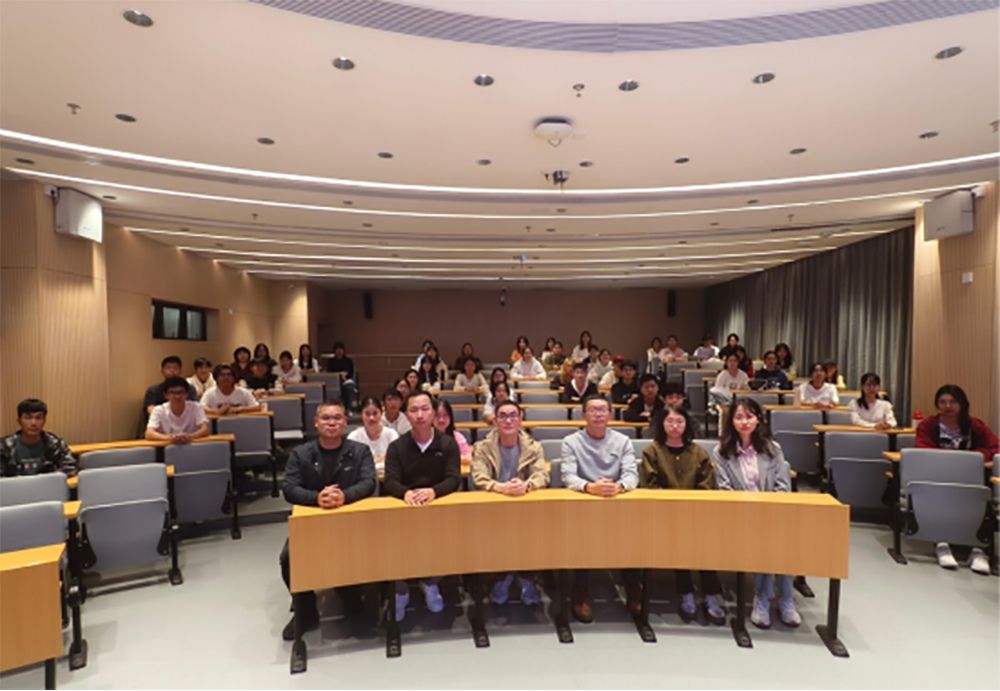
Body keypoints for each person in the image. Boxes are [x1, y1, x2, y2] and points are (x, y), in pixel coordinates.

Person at [279, 399, 377, 639]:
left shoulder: (360, 451)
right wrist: (316, 498)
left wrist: (344, 496)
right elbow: (289, 488)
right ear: (316, 422)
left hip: (350, 522)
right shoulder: (300, 454)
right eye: (326, 418)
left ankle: (353, 603)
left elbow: (368, 482)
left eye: (337, 418)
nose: (331, 423)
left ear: (345, 422)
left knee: (355, 553)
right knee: (288, 558)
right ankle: (305, 609)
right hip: (312, 524)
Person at [710, 398, 799, 629]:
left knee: (783, 537)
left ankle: (786, 598)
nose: (745, 422)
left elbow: (783, 486)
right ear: (731, 421)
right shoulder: (721, 452)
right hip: (740, 515)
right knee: (763, 537)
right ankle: (763, 597)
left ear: (758, 419)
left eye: (749, 416)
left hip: (772, 511)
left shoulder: (773, 449)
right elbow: (724, 489)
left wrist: (768, 510)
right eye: (739, 417)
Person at [634, 406, 725, 625]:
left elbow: (706, 485)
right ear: (662, 424)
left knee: (703, 542)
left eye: (679, 421)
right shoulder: (652, 452)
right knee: (680, 540)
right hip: (664, 515)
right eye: (670, 421)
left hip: (697, 513)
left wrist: (691, 508)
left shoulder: (699, 452)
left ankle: (711, 594)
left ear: (687, 424)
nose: (675, 426)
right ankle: (686, 593)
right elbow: (650, 485)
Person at [383, 391, 462, 621]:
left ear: (434, 412)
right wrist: (406, 493)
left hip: (437, 508)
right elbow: (390, 481)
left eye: (425, 409)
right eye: (414, 410)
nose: (420, 415)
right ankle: (401, 590)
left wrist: (433, 491)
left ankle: (430, 583)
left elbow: (453, 478)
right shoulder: (397, 447)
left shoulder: (448, 444)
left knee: (445, 542)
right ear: (406, 414)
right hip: (405, 509)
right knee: (394, 544)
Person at [560, 395, 638, 622]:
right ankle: (580, 595)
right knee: (582, 539)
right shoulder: (571, 442)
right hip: (583, 505)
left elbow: (631, 475)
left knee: (633, 537)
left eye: (603, 410)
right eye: (593, 410)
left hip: (616, 503)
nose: (598, 415)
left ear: (610, 414)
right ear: (584, 415)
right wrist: (589, 487)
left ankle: (634, 593)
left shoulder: (623, 441)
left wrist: (618, 487)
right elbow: (568, 476)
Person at [470, 400, 550, 606]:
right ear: (495, 421)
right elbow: (479, 477)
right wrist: (501, 487)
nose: (508, 420)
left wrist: (526, 485)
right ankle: (502, 577)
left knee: (530, 534)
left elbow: (542, 475)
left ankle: (526, 577)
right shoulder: (482, 447)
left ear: (520, 420)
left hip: (525, 508)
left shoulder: (534, 447)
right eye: (503, 416)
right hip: (494, 509)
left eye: (513, 415)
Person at [915, 384, 998, 574]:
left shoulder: (975, 425)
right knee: (943, 497)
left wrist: (976, 456)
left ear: (962, 404)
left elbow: (995, 446)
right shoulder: (929, 425)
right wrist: (950, 459)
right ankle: (942, 543)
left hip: (971, 478)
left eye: (953, 402)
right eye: (942, 402)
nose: (947, 406)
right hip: (939, 476)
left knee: (981, 499)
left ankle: (978, 549)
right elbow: (922, 448)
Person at [1, 399, 76, 477]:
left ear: (44, 421)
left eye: (38, 418)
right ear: (19, 421)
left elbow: (70, 468)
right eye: (28, 418)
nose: (33, 423)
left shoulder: (56, 444)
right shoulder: (4, 446)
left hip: (47, 484)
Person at [145, 377, 210, 443]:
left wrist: (189, 436)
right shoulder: (158, 410)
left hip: (192, 446)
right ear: (166, 395)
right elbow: (149, 433)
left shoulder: (196, 407)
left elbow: (205, 429)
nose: (177, 396)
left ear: (186, 394)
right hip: (167, 446)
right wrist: (170, 438)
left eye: (180, 392)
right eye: (172, 392)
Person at [347, 397, 399, 467]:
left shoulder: (392, 434)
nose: (371, 418)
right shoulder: (354, 437)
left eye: (375, 413)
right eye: (367, 414)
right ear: (361, 415)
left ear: (381, 413)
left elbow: (395, 459)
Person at [433, 398, 472, 464]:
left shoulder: (458, 437)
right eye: (437, 416)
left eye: (445, 415)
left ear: (450, 417)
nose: (441, 420)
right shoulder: (425, 437)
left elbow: (468, 457)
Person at [325, 342, 357, 411]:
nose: (339, 351)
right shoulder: (331, 361)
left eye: (340, 349)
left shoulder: (348, 361)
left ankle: (348, 408)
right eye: (337, 350)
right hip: (334, 382)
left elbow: (351, 372)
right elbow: (329, 372)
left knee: (349, 387)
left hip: (346, 380)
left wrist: (345, 376)